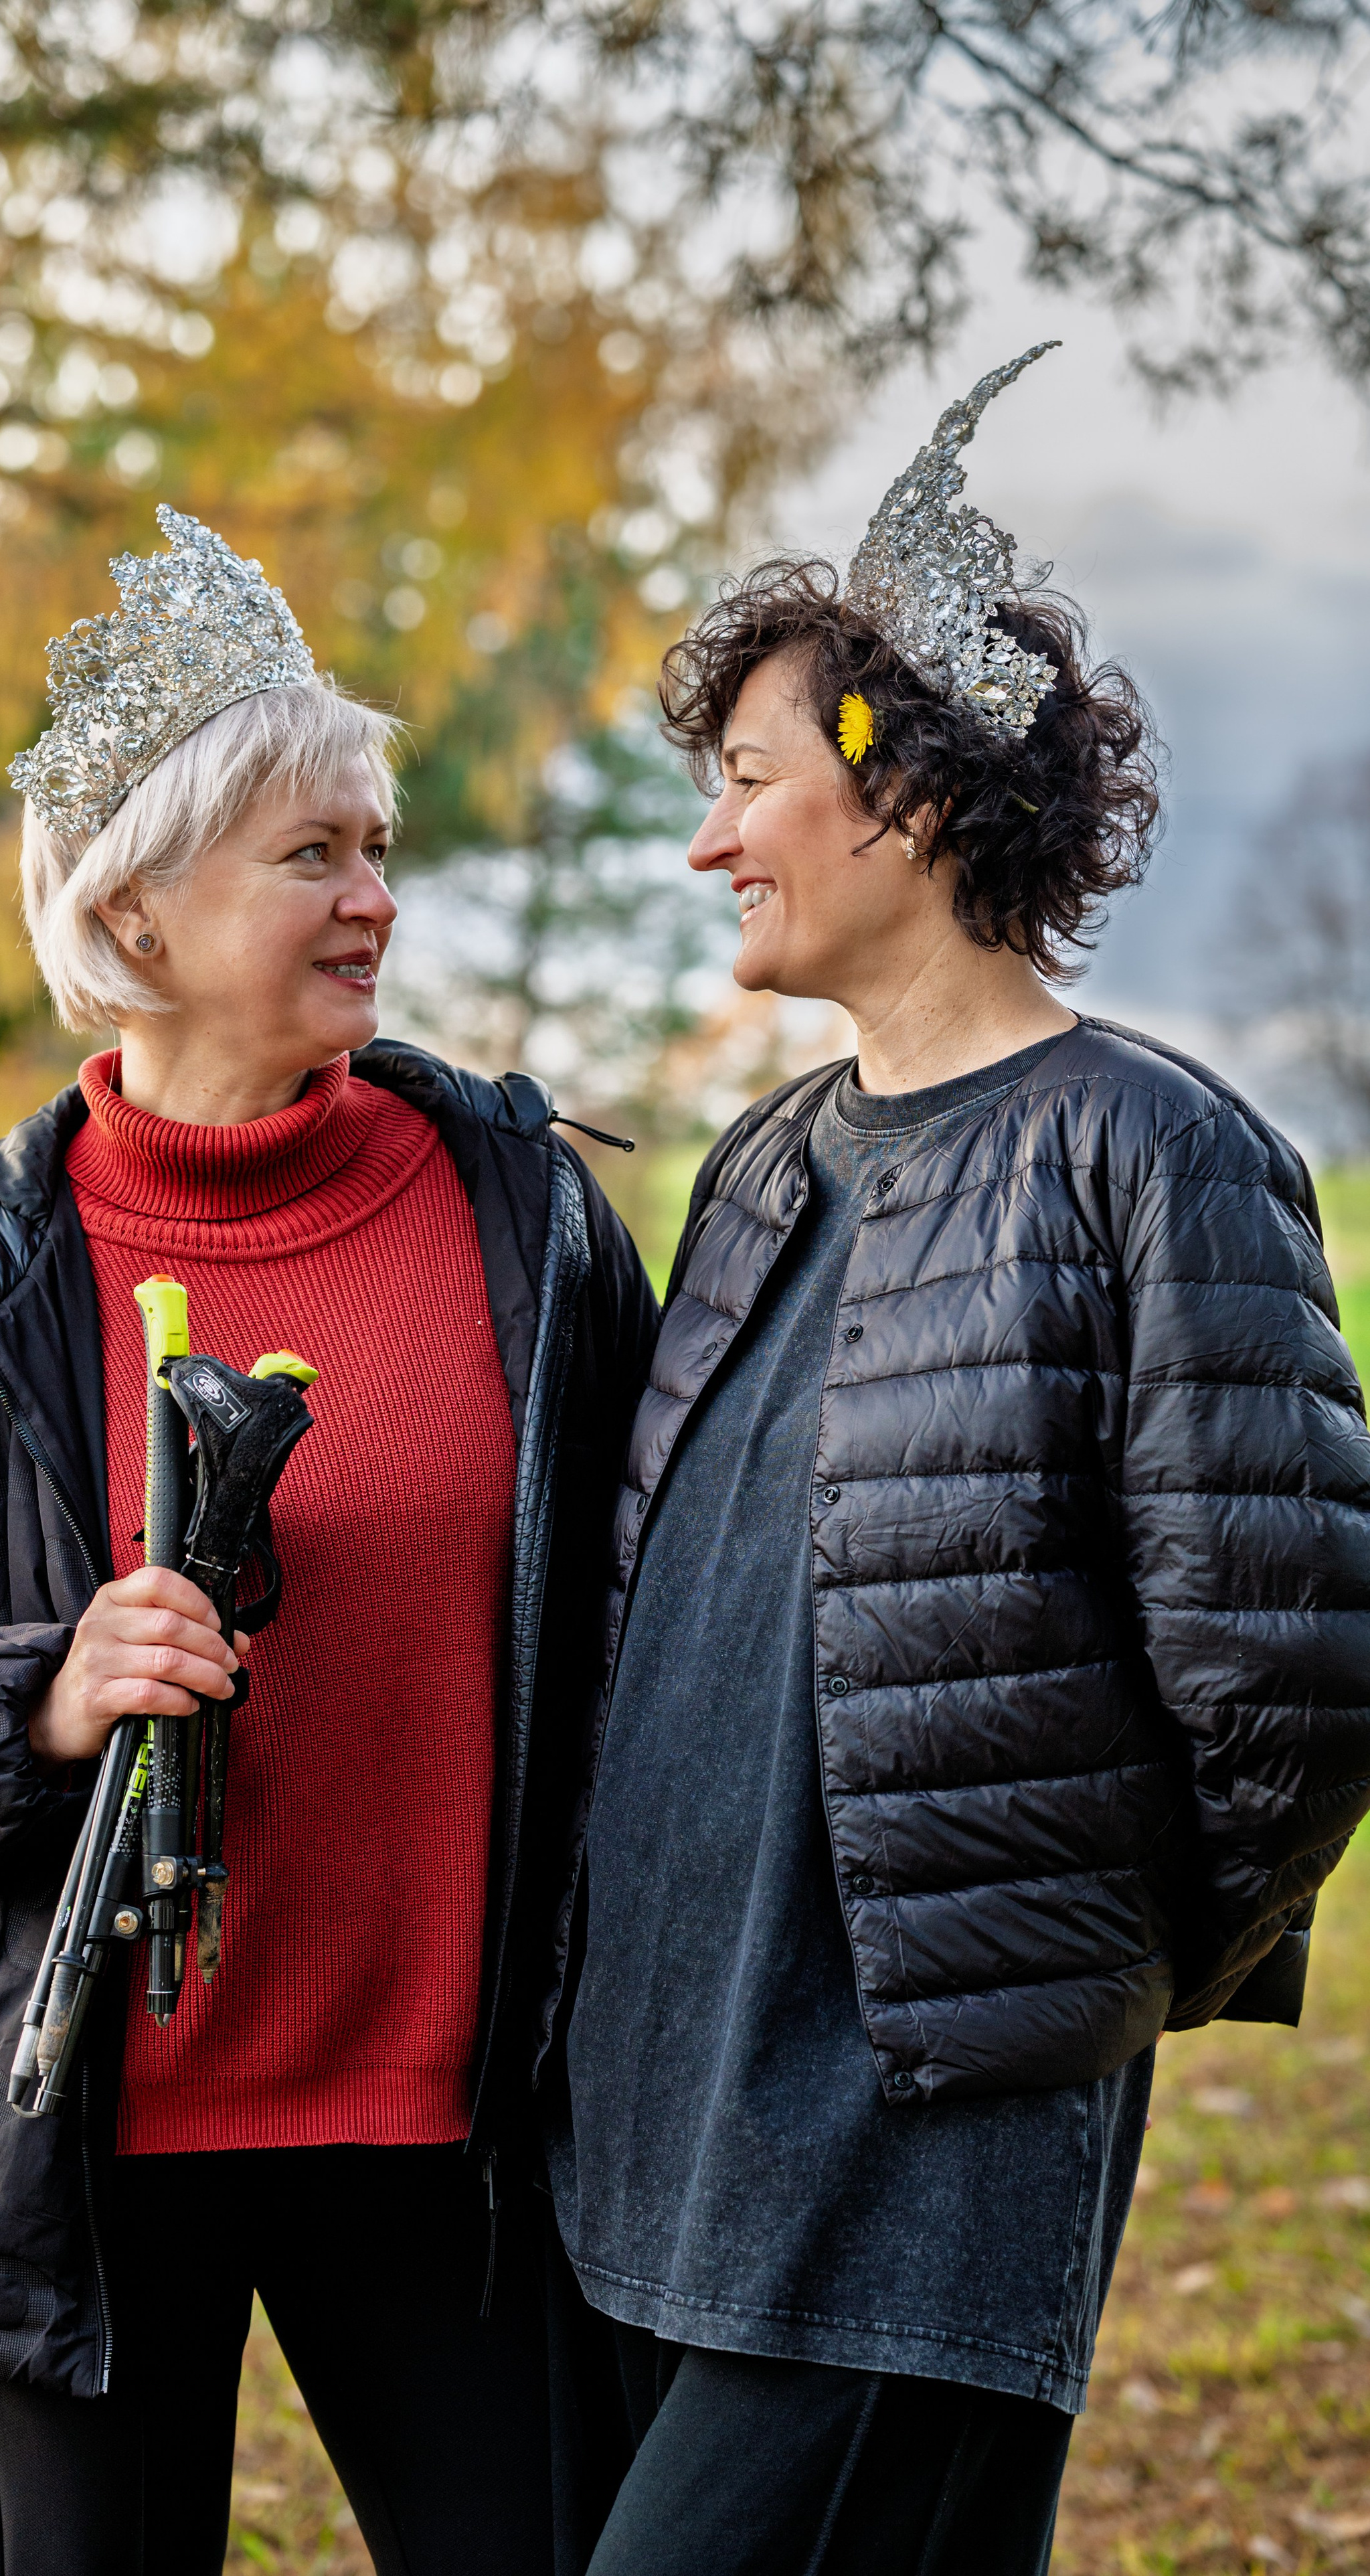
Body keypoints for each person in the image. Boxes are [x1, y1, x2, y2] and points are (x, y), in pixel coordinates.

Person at [0, 507, 658, 2576]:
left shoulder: (524, 1220)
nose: (376, 898)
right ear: (134, 911)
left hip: (458, 2137)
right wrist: (36, 1698)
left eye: (378, 848)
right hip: (78, 2148)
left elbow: (653, 1629)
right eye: (313, 854)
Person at [539, 347, 1370, 2576]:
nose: (711, 840)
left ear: (898, 794)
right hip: (657, 2131)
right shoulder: (757, 1166)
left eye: (748, 782)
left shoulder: (1159, 1157)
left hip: (924, 2163)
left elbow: (1291, 1692)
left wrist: (1055, 1993)